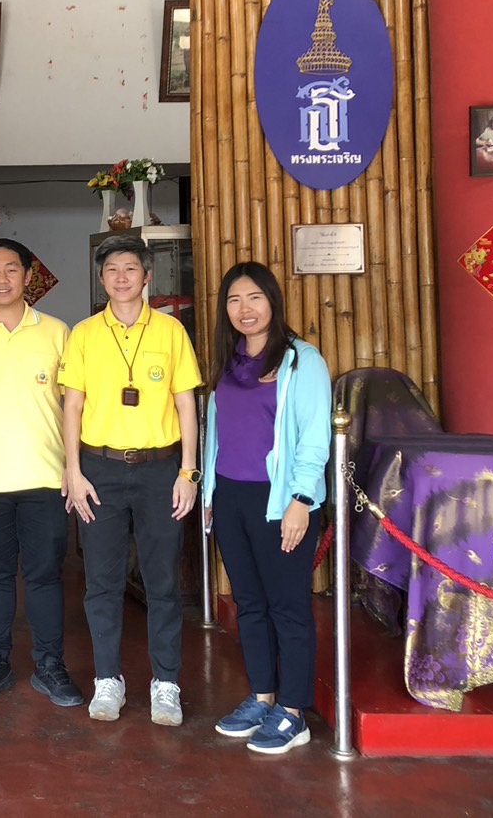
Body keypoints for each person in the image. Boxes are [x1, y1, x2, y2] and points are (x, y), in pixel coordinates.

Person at [60, 234, 202, 728]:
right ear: (102, 281)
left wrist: (188, 471)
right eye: (111, 270)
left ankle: (166, 683)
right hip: (98, 469)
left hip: (161, 469)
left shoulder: (170, 331)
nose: (121, 278)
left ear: (147, 277)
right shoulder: (84, 334)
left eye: (130, 269)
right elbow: (72, 405)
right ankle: (108, 679)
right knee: (102, 581)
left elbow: (187, 404)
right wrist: (73, 470)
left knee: (163, 581)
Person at [0, 239, 83, 708]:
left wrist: (73, 467)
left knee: (46, 576)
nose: (1, 279)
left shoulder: (58, 333)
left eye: (11, 269)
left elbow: (74, 408)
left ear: (29, 275)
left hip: (46, 477)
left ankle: (50, 665)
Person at [203, 261, 331, 754]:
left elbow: (316, 438)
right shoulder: (229, 359)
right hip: (232, 496)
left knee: (288, 607)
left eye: (254, 298)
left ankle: (293, 712)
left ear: (273, 301)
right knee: (249, 604)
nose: (244, 309)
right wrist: (212, 494)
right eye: (234, 301)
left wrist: (302, 499)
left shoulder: (302, 361)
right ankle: (262, 697)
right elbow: (218, 433)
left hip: (281, 500)